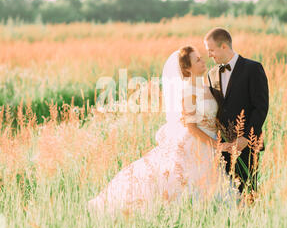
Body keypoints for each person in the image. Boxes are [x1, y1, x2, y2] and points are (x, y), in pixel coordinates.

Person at [87, 46, 236, 218]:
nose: (203, 61)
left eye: (201, 58)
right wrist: (217, 145)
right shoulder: (188, 91)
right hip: (197, 142)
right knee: (183, 182)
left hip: (209, 142)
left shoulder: (208, 87)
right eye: (197, 60)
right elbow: (191, 126)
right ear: (187, 68)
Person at [202, 28, 269, 194]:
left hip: (248, 146)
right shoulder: (212, 74)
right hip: (222, 146)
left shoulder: (253, 68)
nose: (209, 55)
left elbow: (261, 107)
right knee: (226, 195)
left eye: (211, 50)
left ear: (224, 46)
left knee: (248, 193)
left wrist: (246, 137)